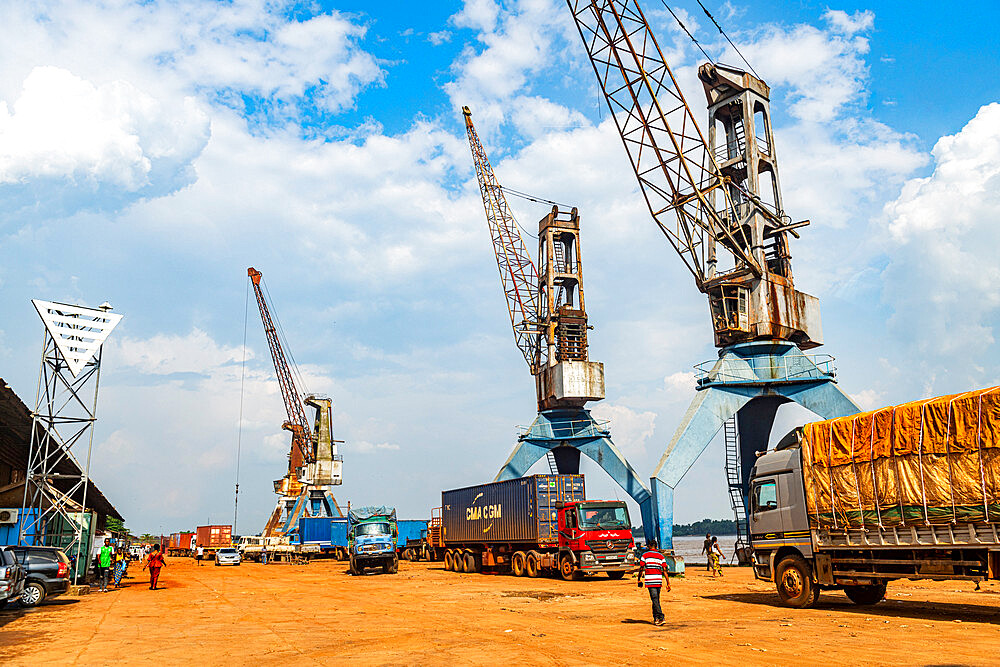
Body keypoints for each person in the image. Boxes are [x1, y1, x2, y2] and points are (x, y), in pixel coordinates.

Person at [637, 540, 669, 626]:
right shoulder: (661, 556)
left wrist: (639, 579)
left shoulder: (645, 555)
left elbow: (641, 568)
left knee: (654, 599)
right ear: (656, 546)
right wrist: (668, 583)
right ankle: (656, 618)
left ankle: (661, 617)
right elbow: (665, 570)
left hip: (650, 581)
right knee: (655, 600)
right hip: (658, 580)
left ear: (649, 546)